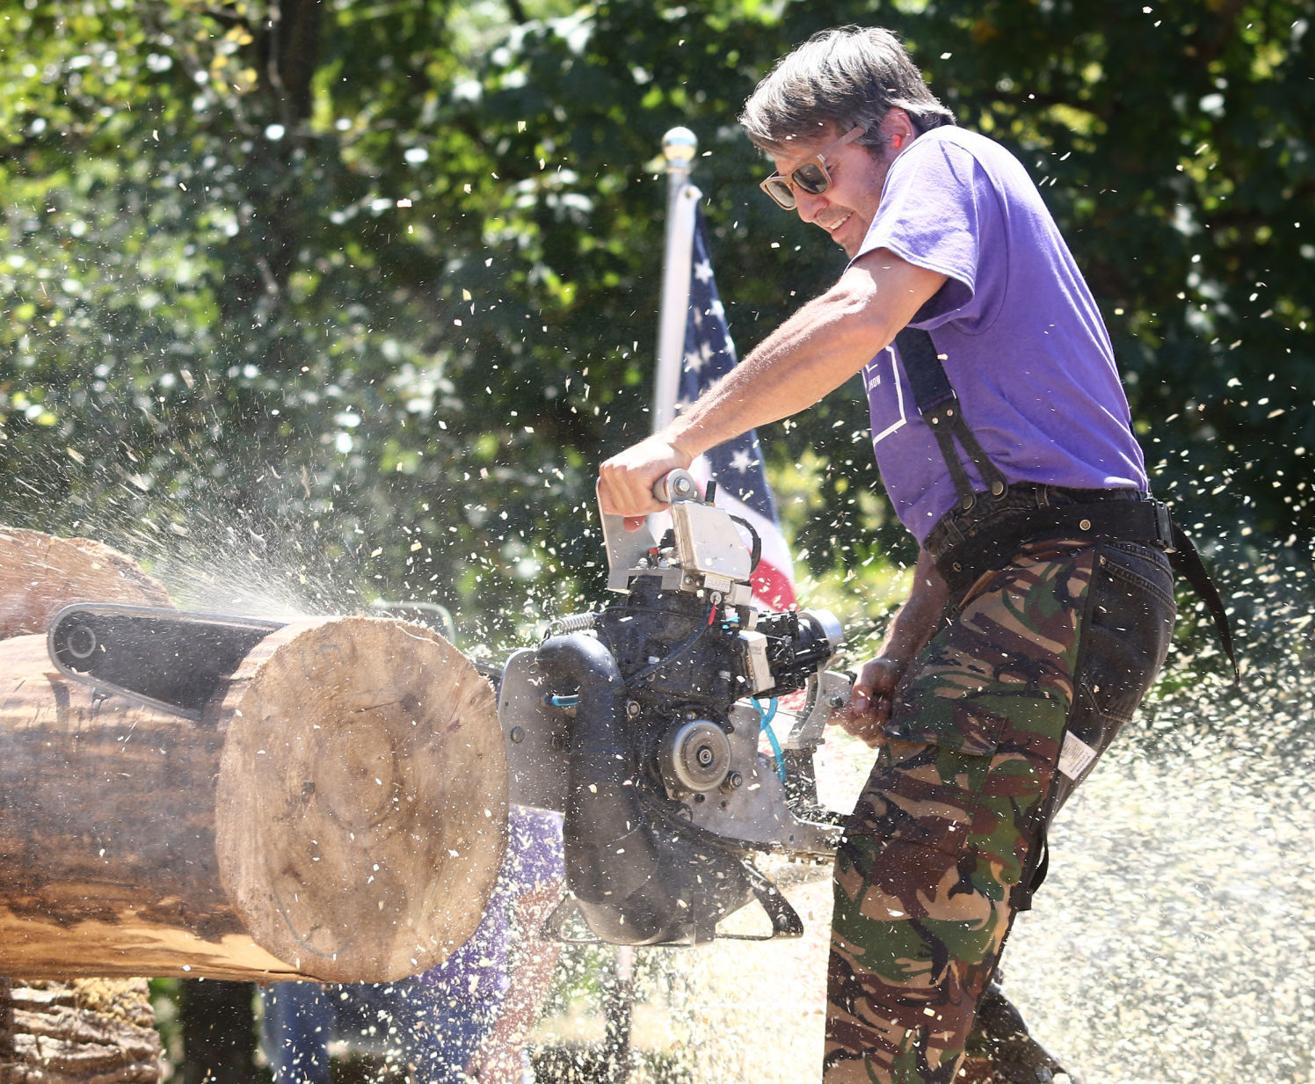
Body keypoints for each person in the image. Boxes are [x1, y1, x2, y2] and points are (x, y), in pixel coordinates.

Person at [598, 26, 1230, 1084]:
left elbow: (858, 315)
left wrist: (682, 438)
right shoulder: (918, 302)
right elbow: (967, 527)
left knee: (906, 882)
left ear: (891, 131)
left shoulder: (946, 165)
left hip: (1068, 575)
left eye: (815, 172)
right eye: (782, 189)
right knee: (925, 910)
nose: (806, 205)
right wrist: (905, 647)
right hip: (1037, 577)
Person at [260, 806, 565, 1083]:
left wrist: (507, 1043)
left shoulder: (526, 797)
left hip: (455, 997)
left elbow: (540, 943)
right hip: (357, 982)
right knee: (295, 976)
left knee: (495, 1074)